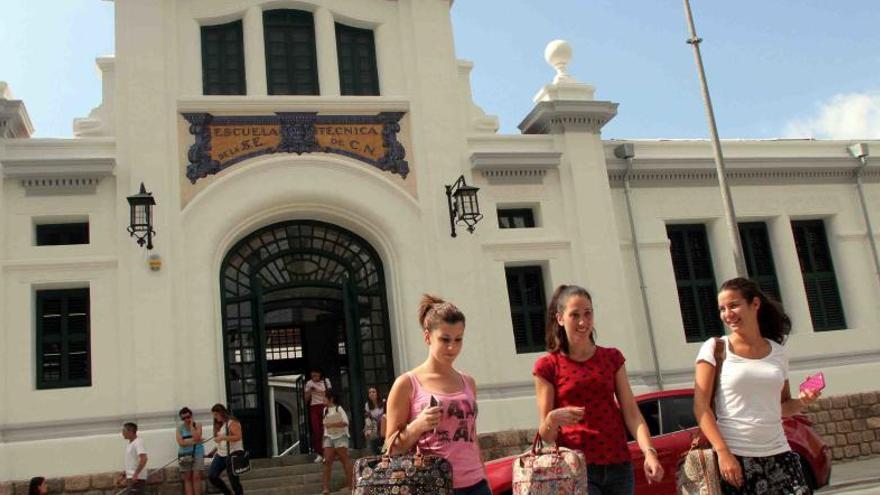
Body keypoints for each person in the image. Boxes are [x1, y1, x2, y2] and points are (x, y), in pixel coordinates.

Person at [694, 278, 820, 494]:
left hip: (780, 453)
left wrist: (803, 401)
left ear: (755, 304)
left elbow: (781, 407)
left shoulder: (778, 352)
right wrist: (723, 452)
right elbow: (701, 407)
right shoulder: (715, 348)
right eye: (722, 309)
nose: (727, 314)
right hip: (736, 456)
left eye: (733, 305)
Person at [534, 284, 664, 495]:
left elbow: (632, 413)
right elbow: (546, 434)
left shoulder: (611, 358)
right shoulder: (548, 366)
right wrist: (553, 419)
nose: (583, 322)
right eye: (574, 315)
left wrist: (649, 452)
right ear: (560, 319)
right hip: (576, 468)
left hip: (619, 464)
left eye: (588, 313)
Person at [385, 294, 490, 495]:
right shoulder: (407, 384)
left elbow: (472, 437)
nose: (452, 347)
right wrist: (417, 425)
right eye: (444, 339)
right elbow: (391, 448)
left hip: (477, 484)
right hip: (434, 485)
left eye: (458, 339)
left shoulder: (468, 382)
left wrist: (486, 479)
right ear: (427, 337)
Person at [321, 390, 353, 495]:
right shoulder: (325, 410)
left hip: (340, 436)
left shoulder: (339, 408)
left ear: (331, 399)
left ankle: (351, 485)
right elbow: (325, 425)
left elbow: (345, 422)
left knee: (345, 460)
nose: (323, 400)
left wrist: (332, 424)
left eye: (325, 397)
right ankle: (325, 488)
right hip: (328, 437)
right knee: (327, 462)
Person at [207, 404, 244, 495]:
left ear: (221, 413)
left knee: (233, 480)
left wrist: (222, 437)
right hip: (221, 454)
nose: (215, 418)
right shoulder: (220, 425)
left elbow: (238, 436)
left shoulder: (232, 422)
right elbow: (223, 442)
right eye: (214, 415)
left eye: (216, 415)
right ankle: (227, 493)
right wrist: (213, 451)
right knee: (212, 475)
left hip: (233, 453)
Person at [304, 369, 331, 463]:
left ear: (320, 374)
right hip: (314, 407)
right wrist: (309, 392)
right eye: (312, 376)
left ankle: (329, 453)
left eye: (316, 375)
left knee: (326, 430)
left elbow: (329, 395)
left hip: (324, 406)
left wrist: (318, 391)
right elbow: (306, 399)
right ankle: (320, 453)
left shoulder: (326, 381)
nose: (314, 378)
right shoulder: (309, 383)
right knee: (317, 431)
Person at [176, 407, 205, 495]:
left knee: (196, 477)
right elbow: (181, 443)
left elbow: (197, 437)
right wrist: (194, 441)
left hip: (198, 452)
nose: (186, 420)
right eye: (183, 418)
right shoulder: (179, 428)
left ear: (191, 416)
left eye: (188, 417)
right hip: (184, 454)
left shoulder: (198, 425)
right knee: (187, 478)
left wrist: (192, 426)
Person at [116, 422, 148, 494]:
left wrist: (136, 474)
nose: (122, 433)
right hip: (131, 478)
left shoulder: (138, 442)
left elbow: (144, 459)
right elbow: (132, 462)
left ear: (130, 431)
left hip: (137, 479)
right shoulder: (130, 444)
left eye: (124, 431)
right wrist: (123, 475)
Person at [363, 386, 386, 454]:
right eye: (370, 392)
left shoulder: (383, 402)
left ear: (377, 393)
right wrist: (367, 429)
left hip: (384, 427)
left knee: (384, 448)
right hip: (375, 429)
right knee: (373, 446)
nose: (371, 394)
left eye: (373, 392)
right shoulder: (367, 405)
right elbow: (367, 418)